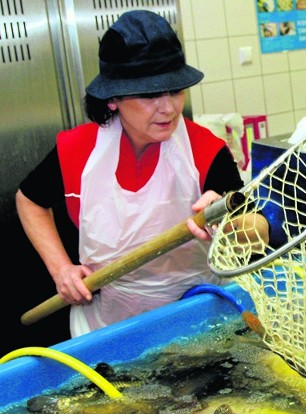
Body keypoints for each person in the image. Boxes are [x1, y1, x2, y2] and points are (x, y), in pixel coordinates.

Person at [15, 10, 269, 338]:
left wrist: (231, 223)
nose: (169, 108)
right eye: (150, 95)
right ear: (112, 99)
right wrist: (61, 269)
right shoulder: (77, 150)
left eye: (176, 90)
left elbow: (259, 228)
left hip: (197, 328)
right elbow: (29, 200)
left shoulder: (205, 150)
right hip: (106, 331)